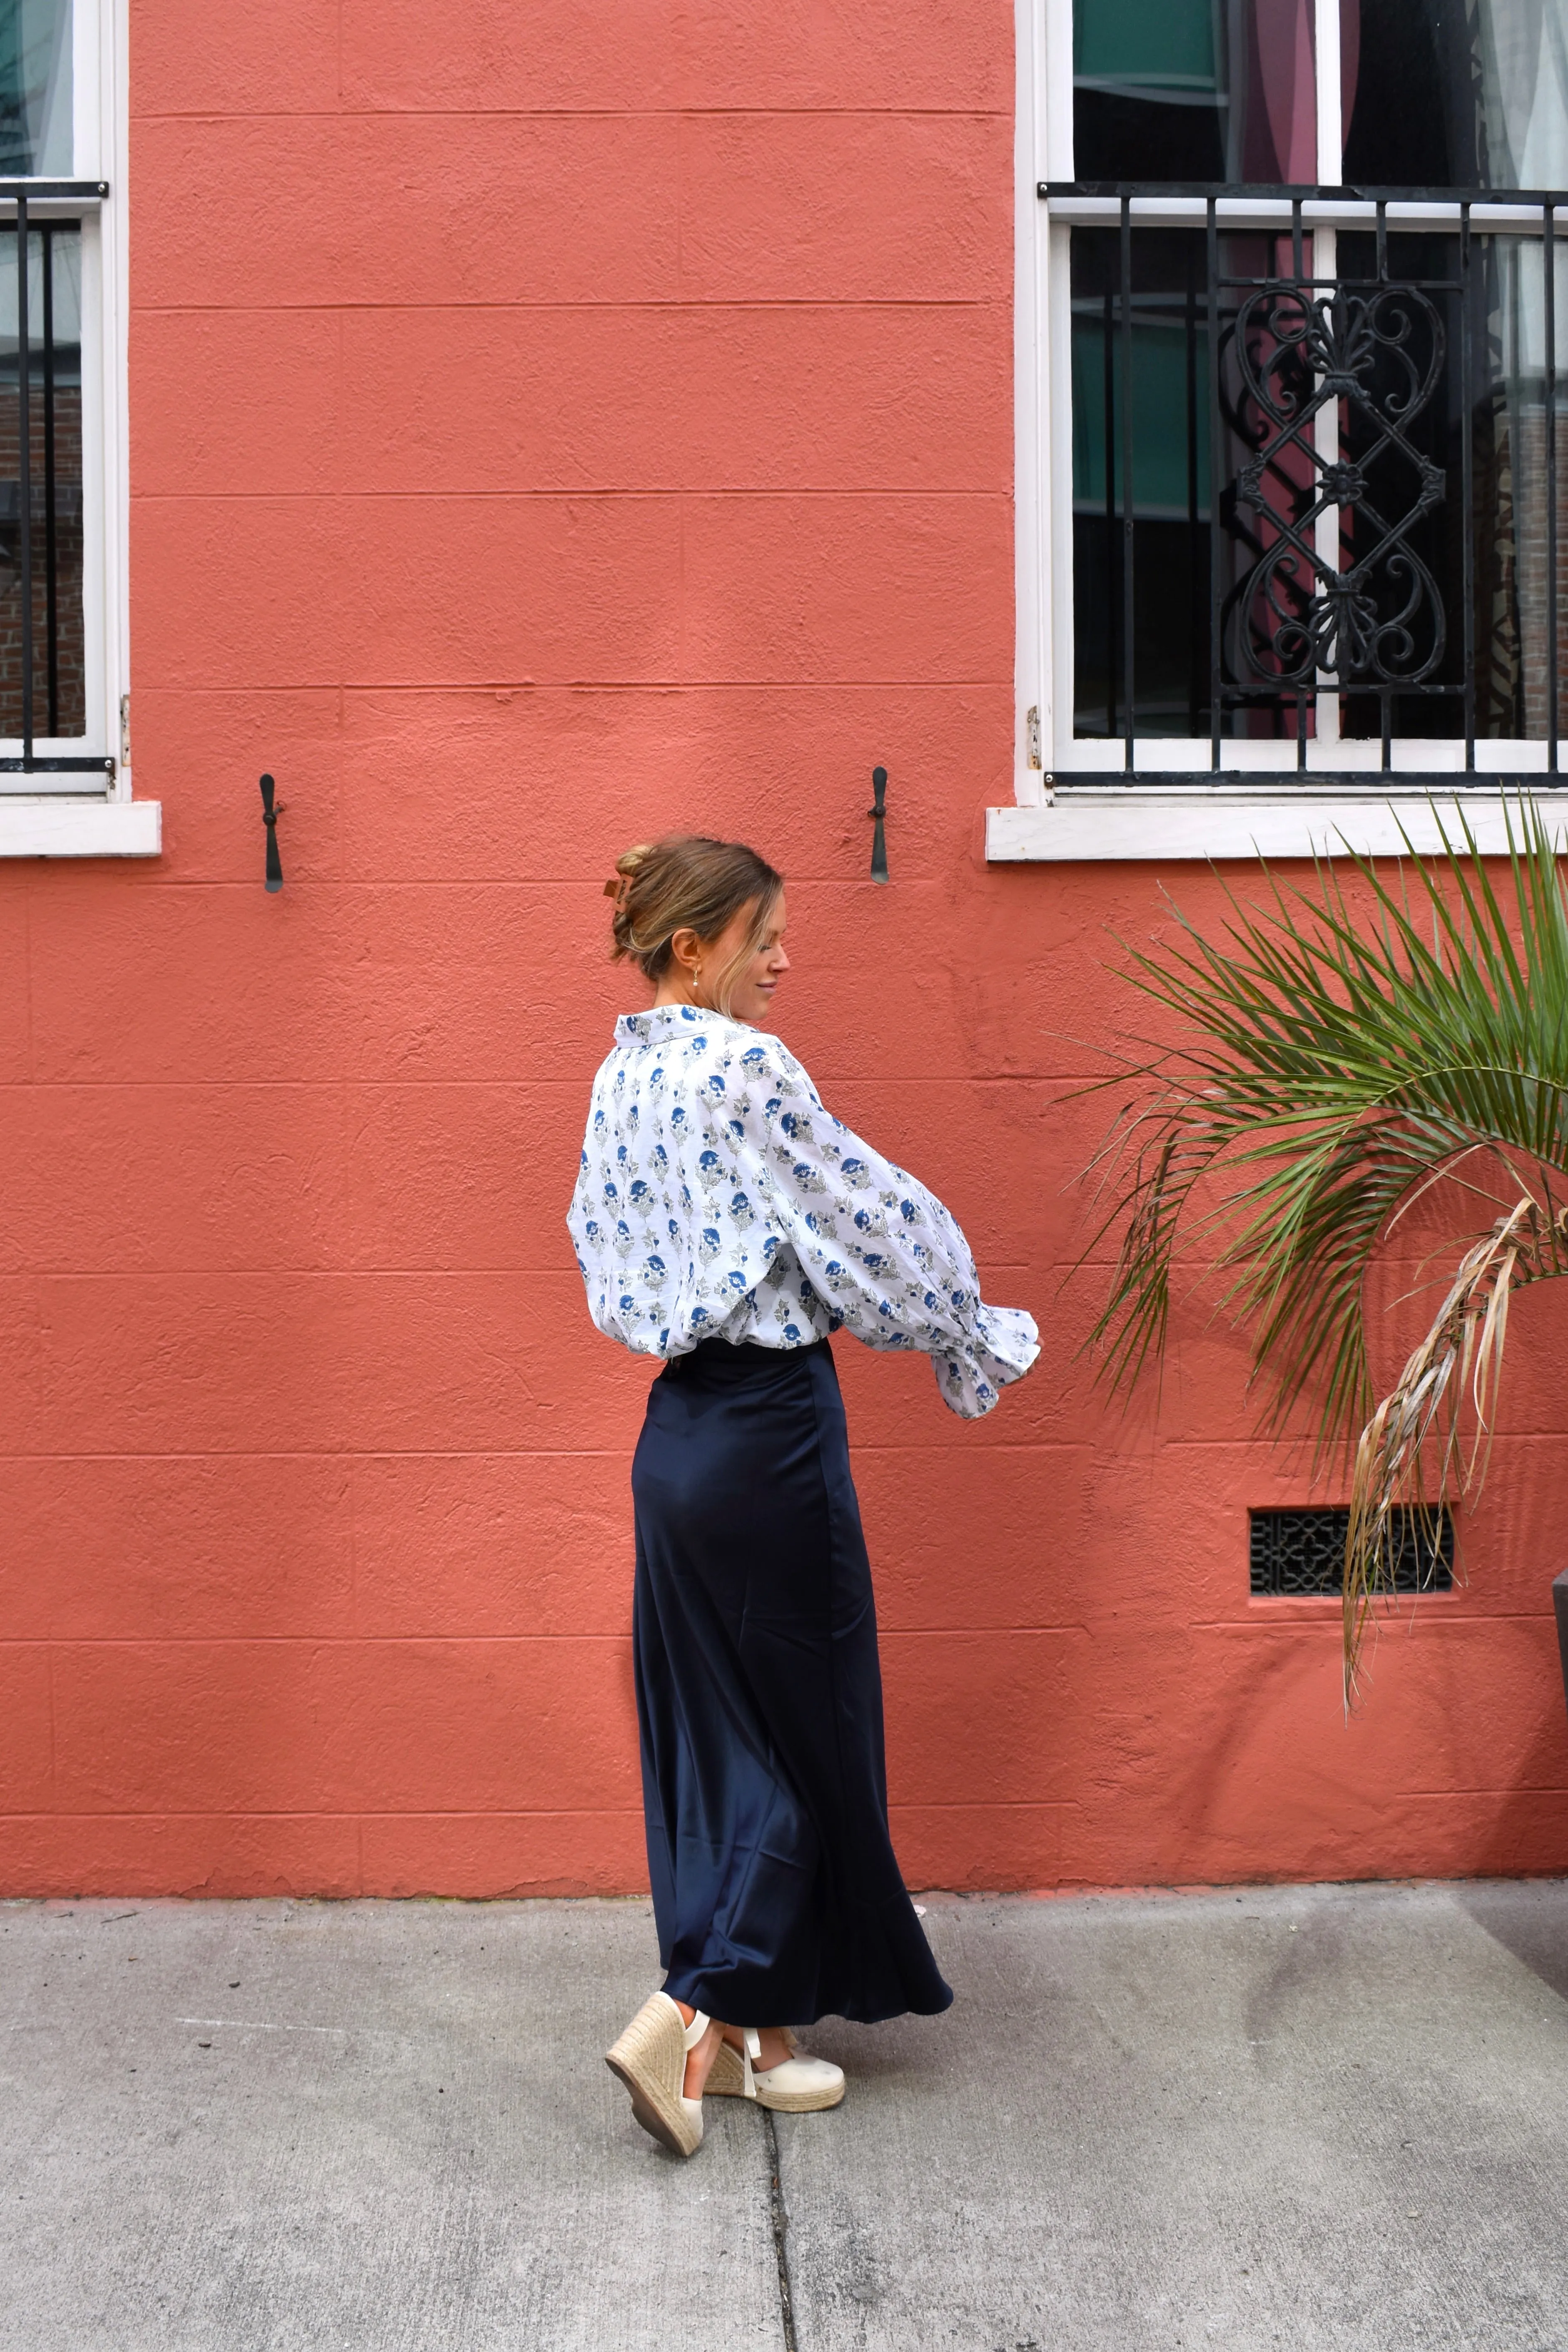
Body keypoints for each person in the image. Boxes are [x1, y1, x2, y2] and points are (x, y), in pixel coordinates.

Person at [568, 835, 1038, 2158]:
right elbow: (862, 1217)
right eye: (764, 935)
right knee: (809, 1722)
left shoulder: (621, 1073)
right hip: (771, 1428)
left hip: (676, 1437)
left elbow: (604, 1248)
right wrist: (958, 1317)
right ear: (692, 945)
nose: (784, 958)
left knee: (715, 1733)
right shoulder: (745, 1066)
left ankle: (765, 2044)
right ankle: (689, 2010)